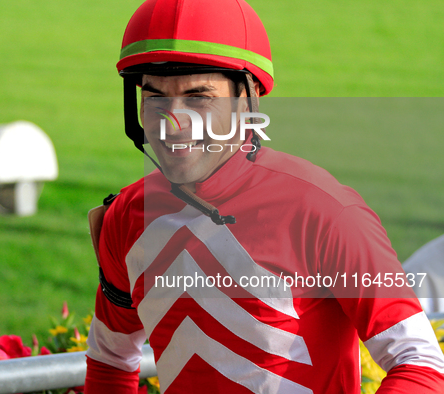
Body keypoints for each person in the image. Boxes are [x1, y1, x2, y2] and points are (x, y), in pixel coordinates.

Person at [84, 0, 444, 393]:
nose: (173, 123)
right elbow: (111, 360)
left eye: (199, 97)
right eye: (155, 98)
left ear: (248, 96)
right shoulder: (126, 216)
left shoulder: (325, 212)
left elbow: (419, 361)